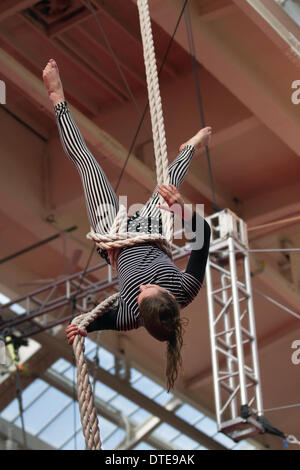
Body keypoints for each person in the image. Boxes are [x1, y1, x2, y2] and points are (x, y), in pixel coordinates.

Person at [43, 59, 211, 390]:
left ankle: (57, 99)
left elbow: (102, 319)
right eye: (149, 289)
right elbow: (203, 238)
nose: (141, 288)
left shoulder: (129, 316)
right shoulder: (186, 290)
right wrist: (184, 210)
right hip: (152, 230)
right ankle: (190, 148)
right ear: (167, 294)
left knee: (87, 165)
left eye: (138, 295)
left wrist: (83, 328)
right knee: (169, 183)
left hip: (114, 236)